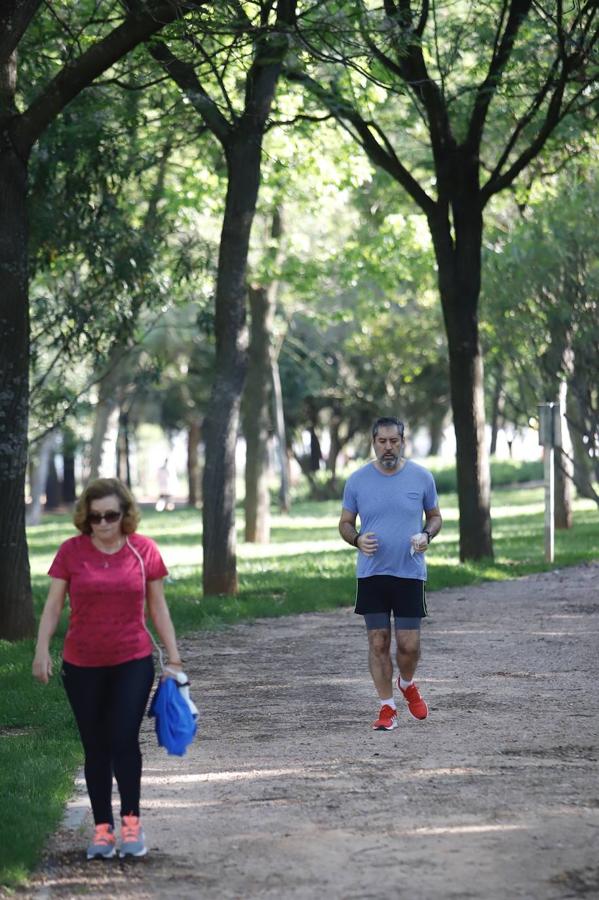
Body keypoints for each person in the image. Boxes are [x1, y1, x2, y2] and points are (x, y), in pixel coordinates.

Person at [32, 477, 184, 860]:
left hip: (131, 660)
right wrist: (40, 650)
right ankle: (102, 830)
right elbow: (53, 607)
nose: (102, 523)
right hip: (81, 663)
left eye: (111, 515)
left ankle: (131, 823)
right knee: (95, 746)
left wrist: (174, 656)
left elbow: (158, 607)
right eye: (95, 517)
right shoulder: (71, 552)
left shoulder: (142, 550)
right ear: (86, 517)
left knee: (122, 739)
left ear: (125, 514)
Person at [339, 416, 442, 731]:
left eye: (393, 441)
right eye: (382, 441)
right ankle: (387, 708)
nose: (388, 447)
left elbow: (435, 516)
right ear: (373, 443)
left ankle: (407, 683)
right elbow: (344, 523)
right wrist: (356, 539)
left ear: (402, 442)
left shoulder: (421, 478)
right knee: (378, 642)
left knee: (409, 646)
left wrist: (426, 535)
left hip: (409, 572)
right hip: (372, 574)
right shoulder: (357, 481)